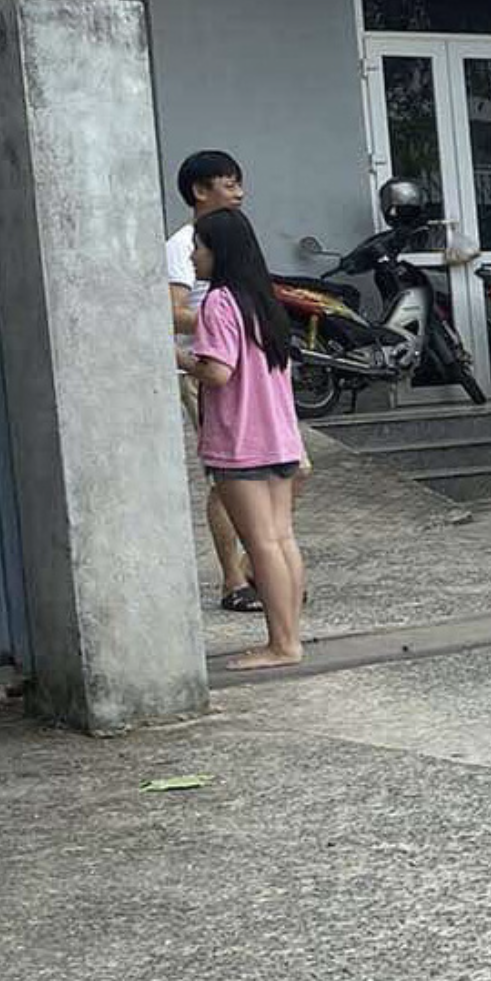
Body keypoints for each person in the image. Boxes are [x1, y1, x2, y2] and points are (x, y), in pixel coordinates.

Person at [182, 207, 308, 670]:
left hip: (240, 441)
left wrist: (180, 357)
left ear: (221, 251)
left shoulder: (218, 303)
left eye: (199, 246)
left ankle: (282, 645)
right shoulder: (265, 301)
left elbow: (217, 371)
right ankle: (291, 636)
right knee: (282, 539)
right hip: (280, 437)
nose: (193, 256)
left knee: (260, 545)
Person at [167, 150, 257, 613]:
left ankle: (257, 563)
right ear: (201, 191)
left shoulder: (238, 238)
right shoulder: (184, 244)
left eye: (240, 183)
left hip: (249, 371)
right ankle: (233, 580)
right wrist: (226, 321)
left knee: (291, 470)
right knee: (228, 478)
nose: (239, 192)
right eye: (228, 183)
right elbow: (172, 310)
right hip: (209, 371)